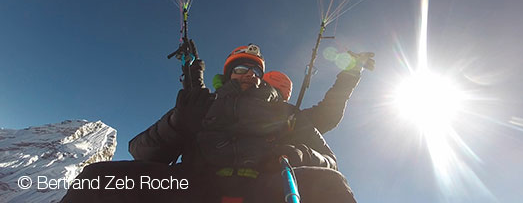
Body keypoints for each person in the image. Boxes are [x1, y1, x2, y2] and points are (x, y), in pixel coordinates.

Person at [62, 44, 357, 203]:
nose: (249, 75)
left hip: (265, 186)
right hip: (195, 184)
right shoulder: (202, 106)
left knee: (330, 184)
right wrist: (178, 124)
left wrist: (297, 156)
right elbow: (142, 152)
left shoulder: (285, 114)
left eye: (255, 71)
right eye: (242, 69)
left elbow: (328, 157)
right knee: (97, 177)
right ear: (229, 73)